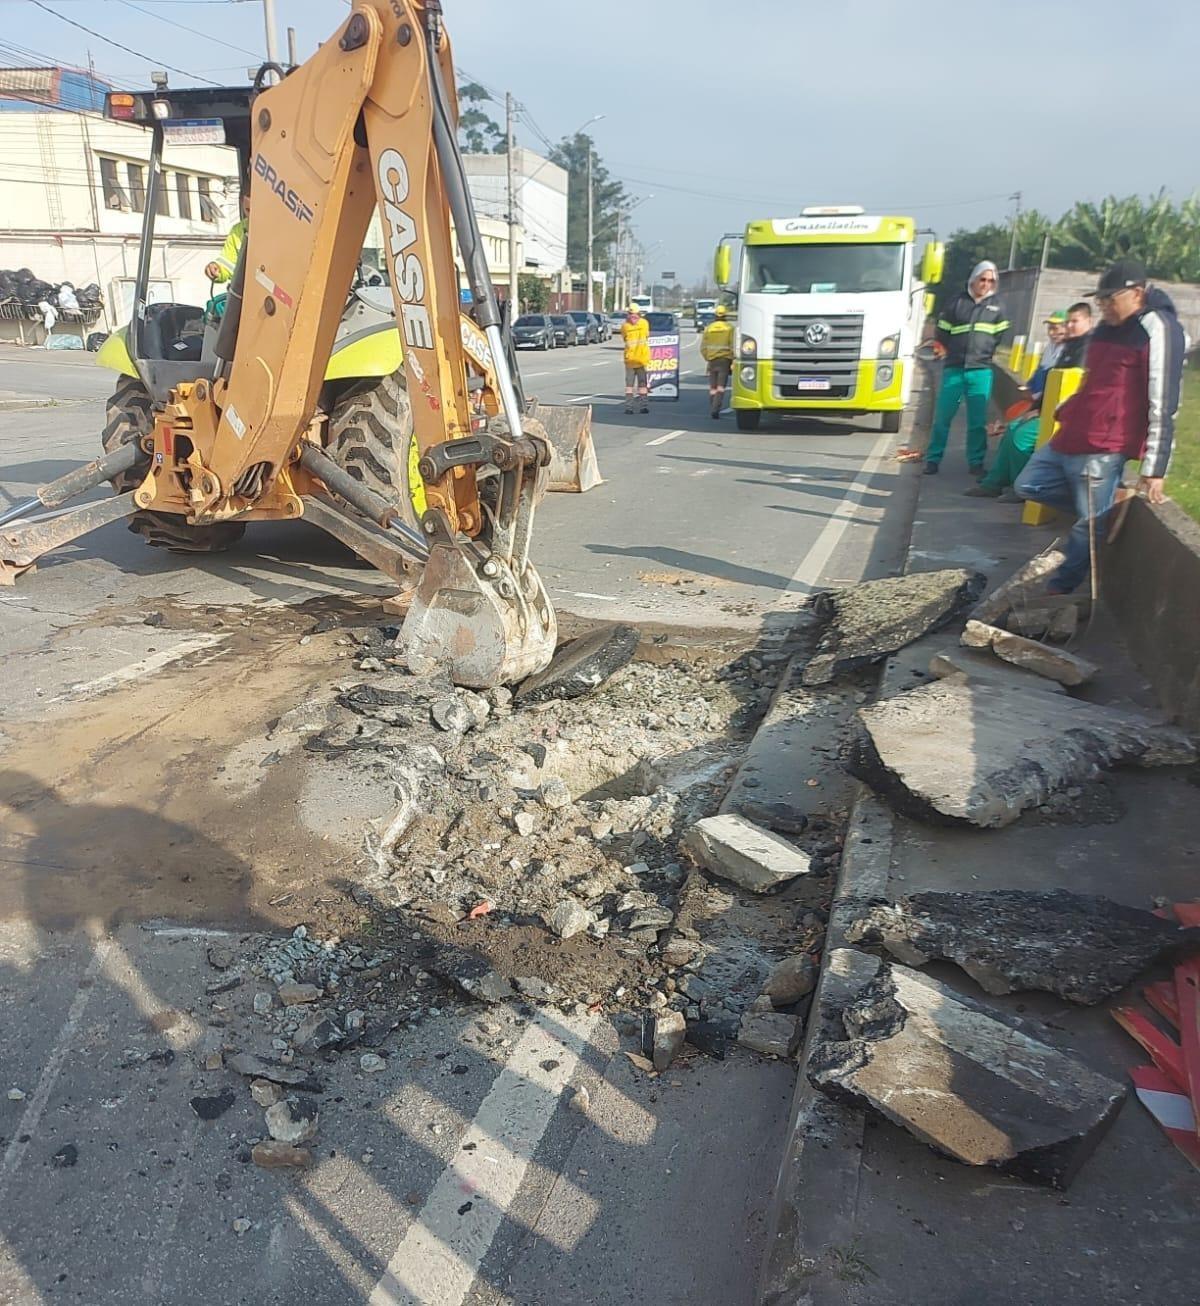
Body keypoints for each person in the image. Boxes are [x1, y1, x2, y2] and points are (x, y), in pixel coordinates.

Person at [1014, 258, 1185, 594]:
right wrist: (1068, 407)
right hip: (1072, 433)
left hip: (1106, 443)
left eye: (1110, 299)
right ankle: (1111, 505)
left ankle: (1061, 588)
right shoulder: (1105, 328)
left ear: (1137, 294)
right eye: (1100, 300)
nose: (1103, 306)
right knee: (1029, 485)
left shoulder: (1158, 329)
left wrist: (1155, 468)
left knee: (1087, 526)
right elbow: (1094, 380)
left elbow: (1164, 401)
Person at [926, 261, 1010, 476]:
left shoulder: (998, 306)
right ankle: (933, 459)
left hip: (980, 370)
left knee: (977, 421)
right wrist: (953, 351)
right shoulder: (956, 302)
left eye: (990, 281)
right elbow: (943, 332)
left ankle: (976, 462)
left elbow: (999, 335)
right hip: (955, 369)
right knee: (943, 417)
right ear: (973, 279)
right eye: (982, 279)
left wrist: (985, 352)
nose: (986, 284)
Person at [964, 405, 1042, 499]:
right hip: (1043, 412)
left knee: (1023, 435)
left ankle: (1021, 487)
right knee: (1012, 427)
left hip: (1053, 417)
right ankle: (994, 483)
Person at [205, 192, 250, 284]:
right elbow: (228, 264)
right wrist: (217, 268)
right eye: (248, 210)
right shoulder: (237, 230)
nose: (251, 215)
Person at [700, 304, 734, 418]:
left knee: (713, 387)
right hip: (724, 361)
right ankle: (716, 409)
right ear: (725, 315)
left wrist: (708, 357)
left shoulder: (709, 328)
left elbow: (703, 347)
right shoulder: (730, 328)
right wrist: (733, 359)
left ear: (715, 315)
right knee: (720, 387)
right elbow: (733, 345)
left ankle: (713, 407)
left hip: (712, 361)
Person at [620, 304, 651, 414]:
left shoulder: (625, 326)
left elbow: (624, 338)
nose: (632, 317)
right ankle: (643, 406)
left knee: (630, 385)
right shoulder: (644, 323)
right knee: (642, 384)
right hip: (640, 359)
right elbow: (647, 336)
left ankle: (629, 407)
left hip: (631, 360)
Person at [1056, 300, 1093, 371]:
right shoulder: (1071, 343)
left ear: (1089, 321)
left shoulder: (1090, 344)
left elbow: (1077, 372)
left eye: (1074, 321)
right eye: (1067, 322)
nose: (1069, 325)